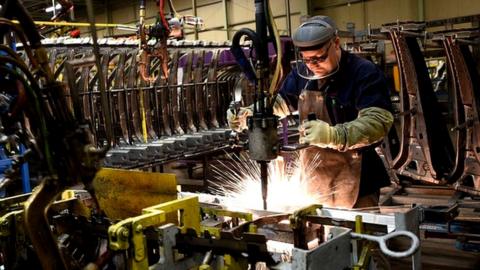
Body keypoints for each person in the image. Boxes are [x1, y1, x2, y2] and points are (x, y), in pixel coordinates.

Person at [227, 15, 394, 209]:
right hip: (315, 175)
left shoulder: (364, 73)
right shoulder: (301, 74)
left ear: (336, 43)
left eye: (319, 57)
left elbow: (378, 121)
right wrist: (252, 113)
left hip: (357, 177)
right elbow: (283, 102)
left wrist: (335, 135)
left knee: (360, 235)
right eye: (307, 59)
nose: (312, 64)